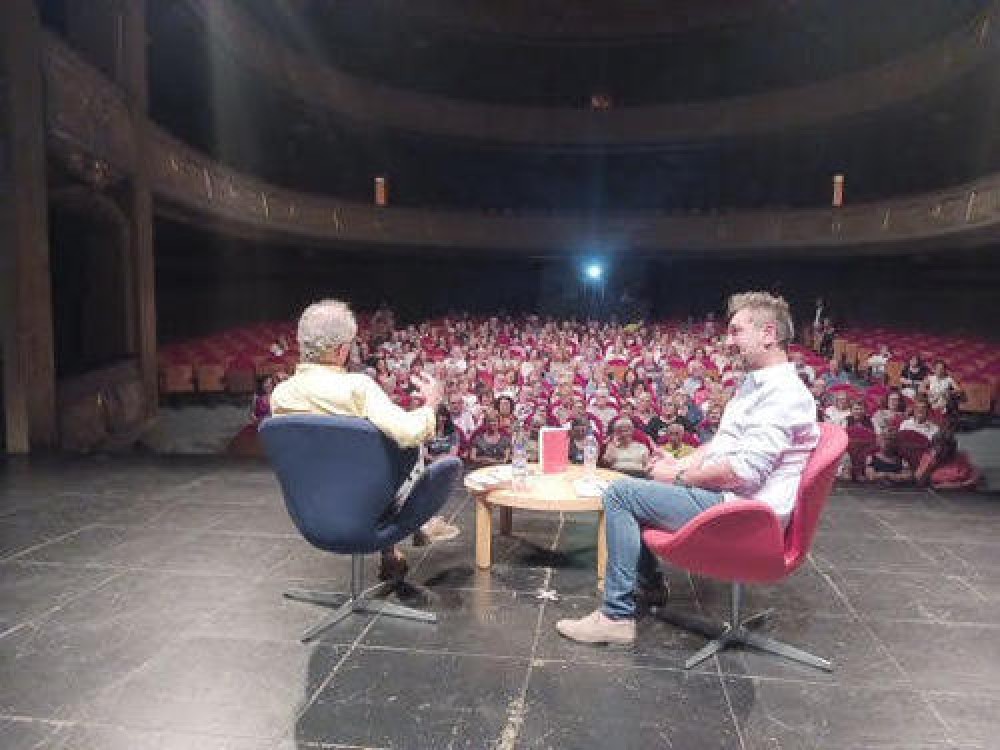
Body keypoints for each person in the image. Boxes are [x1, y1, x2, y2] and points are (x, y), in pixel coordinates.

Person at [556, 291, 819, 645]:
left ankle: (616, 617)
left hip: (745, 514)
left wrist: (679, 477)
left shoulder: (783, 394)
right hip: (731, 499)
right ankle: (649, 587)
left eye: (737, 331)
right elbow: (723, 444)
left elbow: (744, 472)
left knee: (619, 494)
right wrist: (680, 463)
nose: (729, 341)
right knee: (636, 486)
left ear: (768, 334)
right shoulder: (756, 386)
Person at [270, 299, 458, 582]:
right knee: (405, 447)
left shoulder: (281, 396)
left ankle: (395, 550)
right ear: (342, 350)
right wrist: (431, 404)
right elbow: (408, 432)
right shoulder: (358, 388)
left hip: (313, 513)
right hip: (366, 508)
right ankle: (405, 537)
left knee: (370, 449)